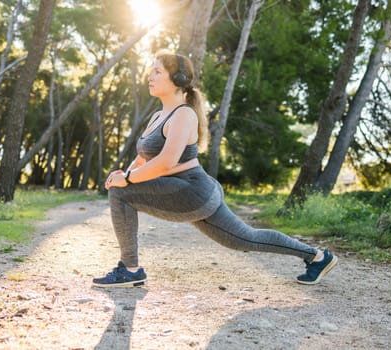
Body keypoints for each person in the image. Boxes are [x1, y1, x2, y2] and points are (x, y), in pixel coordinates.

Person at [93, 50, 338, 288]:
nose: (150, 76)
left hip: (193, 191)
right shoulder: (158, 116)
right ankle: (317, 257)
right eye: (151, 71)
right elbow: (145, 156)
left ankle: (130, 269)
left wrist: (127, 180)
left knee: (121, 193)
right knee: (243, 238)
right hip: (190, 191)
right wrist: (123, 173)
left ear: (177, 79)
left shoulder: (183, 115)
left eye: (157, 71)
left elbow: (167, 161)